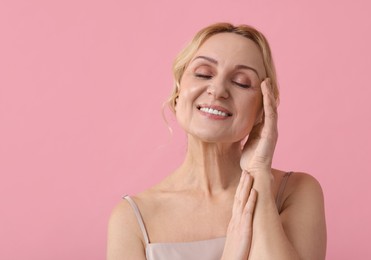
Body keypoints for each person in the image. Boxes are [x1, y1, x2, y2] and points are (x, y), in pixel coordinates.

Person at [107, 23, 326, 260]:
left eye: (242, 82)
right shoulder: (132, 218)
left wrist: (259, 177)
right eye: (203, 73)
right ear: (179, 93)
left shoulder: (296, 192)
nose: (218, 89)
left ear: (263, 108)